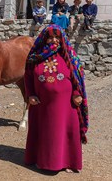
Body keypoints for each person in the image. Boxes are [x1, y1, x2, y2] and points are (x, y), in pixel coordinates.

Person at [24, 24, 89, 173]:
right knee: (44, 132)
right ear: (44, 39)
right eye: (50, 37)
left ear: (62, 38)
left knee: (64, 132)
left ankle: (68, 162)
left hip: (66, 105)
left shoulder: (69, 56)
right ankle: (40, 160)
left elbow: (78, 78)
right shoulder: (34, 57)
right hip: (41, 104)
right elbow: (27, 77)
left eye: (57, 37)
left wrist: (76, 94)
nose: (53, 40)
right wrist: (31, 94)